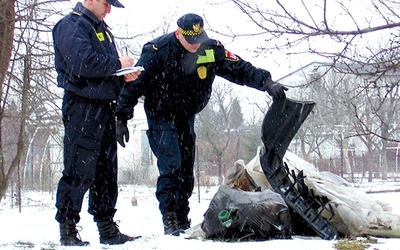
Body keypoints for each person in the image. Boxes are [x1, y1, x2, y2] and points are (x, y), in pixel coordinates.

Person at [115, 13, 288, 236]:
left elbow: (239, 68)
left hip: (186, 116)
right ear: (179, 34)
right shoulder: (157, 51)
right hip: (161, 115)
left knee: (186, 169)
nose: (196, 45)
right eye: (190, 40)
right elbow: (134, 85)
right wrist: (121, 118)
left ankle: (181, 215)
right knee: (171, 165)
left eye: (199, 39)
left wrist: (266, 82)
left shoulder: (211, 49)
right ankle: (170, 218)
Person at [52, 0, 141, 246]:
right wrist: (117, 65)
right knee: (79, 169)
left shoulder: (100, 29)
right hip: (82, 107)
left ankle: (107, 227)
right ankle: (68, 229)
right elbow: (82, 63)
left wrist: (125, 77)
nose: (109, 9)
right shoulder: (70, 26)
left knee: (105, 172)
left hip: (105, 107)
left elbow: (103, 72)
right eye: (106, 3)